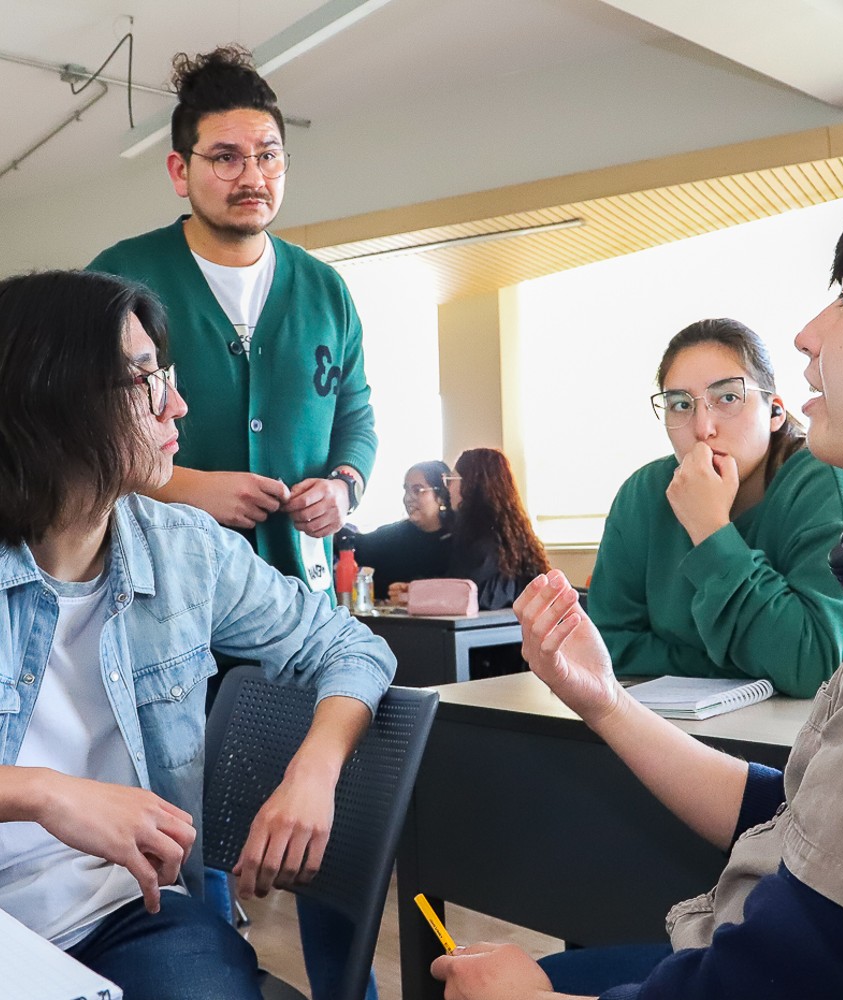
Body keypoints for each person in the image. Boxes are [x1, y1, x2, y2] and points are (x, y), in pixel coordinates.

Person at [429, 148, 843, 1000]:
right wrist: (603, 697)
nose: (810, 331)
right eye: (679, 403)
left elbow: (801, 973)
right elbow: (801, 814)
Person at [0, 270, 395, 999]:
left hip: (127, 914)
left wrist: (314, 768)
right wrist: (42, 794)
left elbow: (350, 645)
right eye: (145, 380)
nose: (177, 404)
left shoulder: (184, 548)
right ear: (51, 397)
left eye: (167, 375)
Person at [88, 44, 375, 597]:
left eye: (268, 155)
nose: (252, 177)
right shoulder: (117, 280)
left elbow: (355, 414)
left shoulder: (325, 290)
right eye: (226, 157)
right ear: (180, 169)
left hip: (298, 594)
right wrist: (182, 486)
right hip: (159, 588)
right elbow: (70, 428)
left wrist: (343, 487)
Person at [588, 318, 843, 697]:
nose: (703, 427)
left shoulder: (824, 482)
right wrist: (739, 664)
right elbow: (607, 647)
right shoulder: (643, 494)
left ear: (774, 412)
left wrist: (710, 529)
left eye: (727, 398)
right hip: (667, 725)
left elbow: (816, 664)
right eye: (680, 404)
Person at [444, 448, 550, 610]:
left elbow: (459, 599)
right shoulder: (513, 537)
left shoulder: (478, 543)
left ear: (471, 483)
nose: (448, 488)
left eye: (451, 479)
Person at [346, 460, 453, 602]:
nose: (408, 498)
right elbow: (355, 545)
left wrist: (416, 593)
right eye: (406, 490)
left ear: (441, 496)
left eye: (417, 490)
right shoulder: (393, 535)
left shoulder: (461, 539)